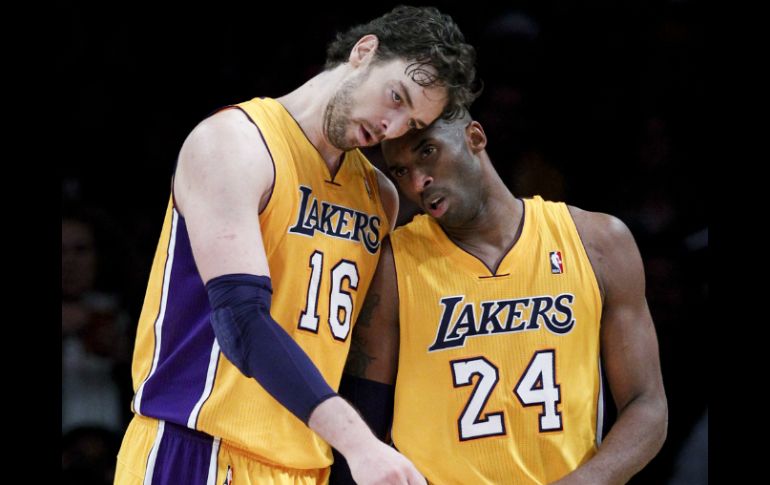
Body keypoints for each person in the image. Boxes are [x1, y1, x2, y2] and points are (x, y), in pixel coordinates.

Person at [114, 6, 479, 485]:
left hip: (305, 464)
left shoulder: (380, 196)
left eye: (410, 123)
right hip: (199, 447)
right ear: (363, 52)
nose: (390, 128)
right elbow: (241, 321)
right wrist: (359, 442)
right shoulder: (234, 142)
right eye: (395, 97)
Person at [334, 111, 668, 484]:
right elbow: (364, 422)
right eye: (399, 171)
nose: (417, 180)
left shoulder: (599, 242)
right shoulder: (391, 266)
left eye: (427, 151)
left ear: (475, 137)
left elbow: (648, 405)